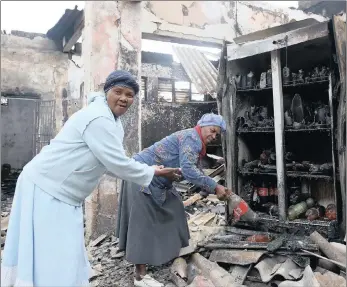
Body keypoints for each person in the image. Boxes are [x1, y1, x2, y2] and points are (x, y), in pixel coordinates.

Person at [1, 70, 180, 287]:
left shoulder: (112, 120)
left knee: (64, 249)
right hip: (46, 186)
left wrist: (148, 169)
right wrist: (154, 172)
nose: (124, 98)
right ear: (107, 92)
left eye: (130, 95)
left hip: (62, 191)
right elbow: (117, 163)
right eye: (118, 92)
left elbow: (109, 162)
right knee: (53, 250)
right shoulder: (98, 118)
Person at [116, 113, 232, 287]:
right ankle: (140, 275)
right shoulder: (192, 137)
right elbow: (188, 169)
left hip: (157, 179)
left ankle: (169, 253)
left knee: (174, 207)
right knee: (143, 224)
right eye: (212, 130)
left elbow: (193, 165)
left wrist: (205, 189)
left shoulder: (194, 141)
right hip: (141, 177)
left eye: (217, 134)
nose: (214, 136)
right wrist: (215, 187)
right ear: (202, 126)